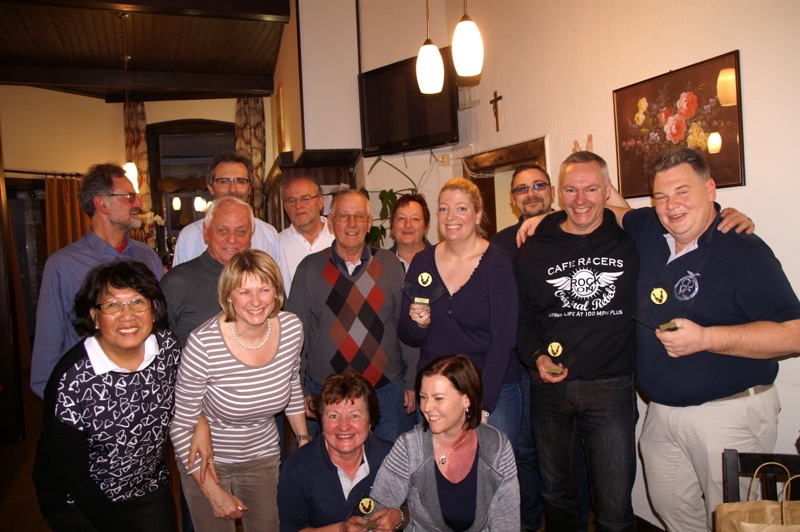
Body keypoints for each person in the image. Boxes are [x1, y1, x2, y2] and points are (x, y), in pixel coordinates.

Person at [617, 148, 800, 532]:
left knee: (737, 523)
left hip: (729, 416)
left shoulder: (743, 249)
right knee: (674, 513)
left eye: (683, 192)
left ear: (711, 189)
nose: (671, 205)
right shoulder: (651, 230)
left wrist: (706, 338)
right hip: (662, 414)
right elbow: (612, 208)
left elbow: (794, 333)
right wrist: (541, 218)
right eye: (661, 196)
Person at [516, 151, 638, 531]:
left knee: (614, 505)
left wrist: (726, 215)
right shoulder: (535, 246)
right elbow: (523, 318)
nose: (580, 200)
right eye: (571, 189)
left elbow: (680, 218)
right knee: (556, 497)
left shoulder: (629, 239)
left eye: (591, 189)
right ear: (558, 193)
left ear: (607, 191)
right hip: (550, 391)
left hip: (611, 388)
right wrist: (536, 357)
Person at [33, 261, 179, 531]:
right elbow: (72, 475)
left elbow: (185, 397)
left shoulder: (167, 347)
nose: (128, 316)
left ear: (154, 308)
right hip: (77, 498)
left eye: (138, 302)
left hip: (145, 483)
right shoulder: (72, 380)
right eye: (112, 305)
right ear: (94, 316)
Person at [170, 249, 309, 530]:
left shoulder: (292, 329)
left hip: (262, 456)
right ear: (228, 296)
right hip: (207, 461)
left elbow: (292, 383)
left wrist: (303, 439)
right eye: (244, 292)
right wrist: (212, 491)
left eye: (264, 289)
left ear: (276, 292)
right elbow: (180, 424)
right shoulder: (204, 343)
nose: (256, 301)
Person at [490, 163, 590, 532]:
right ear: (512, 199)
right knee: (525, 453)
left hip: (574, 366)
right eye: (521, 189)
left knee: (573, 455)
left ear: (552, 190)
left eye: (538, 185)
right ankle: (529, 524)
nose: (531, 193)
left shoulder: (578, 228)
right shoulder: (500, 245)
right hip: (521, 370)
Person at [398, 178, 521, 450]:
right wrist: (419, 325)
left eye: (461, 209)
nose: (450, 217)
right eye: (444, 209)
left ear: (477, 215)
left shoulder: (497, 263)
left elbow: (504, 341)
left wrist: (482, 405)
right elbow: (406, 333)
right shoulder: (423, 261)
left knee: (491, 472)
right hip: (436, 392)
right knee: (436, 471)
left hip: (491, 389)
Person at [287, 189, 417, 442]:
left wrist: (411, 379)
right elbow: (294, 338)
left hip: (385, 392)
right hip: (326, 394)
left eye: (359, 216)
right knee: (329, 465)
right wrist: (298, 389)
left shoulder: (390, 265)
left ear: (369, 224)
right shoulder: (309, 269)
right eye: (344, 216)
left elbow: (406, 327)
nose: (352, 223)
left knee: (386, 463)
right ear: (331, 222)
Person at [30, 163, 163, 398]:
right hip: (90, 397)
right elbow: (47, 347)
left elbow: (160, 324)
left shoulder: (147, 257)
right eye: (130, 197)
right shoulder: (63, 265)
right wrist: (60, 403)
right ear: (102, 203)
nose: (139, 204)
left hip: (146, 393)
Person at [370, 354, 520, 531]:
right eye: (423, 397)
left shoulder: (496, 447)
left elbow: (506, 523)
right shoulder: (409, 446)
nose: (426, 407)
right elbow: (375, 513)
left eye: (438, 398)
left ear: (466, 399)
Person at [277, 371, 403, 532]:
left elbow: (417, 510)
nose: (344, 426)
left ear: (370, 421)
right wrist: (340, 529)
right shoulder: (297, 467)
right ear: (321, 421)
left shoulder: (393, 457)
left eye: (354, 415)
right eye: (333, 416)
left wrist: (400, 516)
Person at [171, 150, 291, 287]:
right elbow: (178, 287)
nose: (233, 189)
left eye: (241, 181)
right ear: (210, 187)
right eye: (224, 181)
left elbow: (281, 287)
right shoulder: (189, 236)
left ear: (249, 188)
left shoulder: (268, 234)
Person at [160, 195, 254, 347]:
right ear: (206, 233)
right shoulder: (176, 283)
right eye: (222, 230)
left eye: (241, 231)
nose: (232, 239)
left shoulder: (263, 280)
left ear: (251, 236)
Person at [278, 176, 335, 282]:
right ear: (285, 208)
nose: (298, 205)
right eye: (291, 201)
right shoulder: (277, 245)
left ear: (320, 202)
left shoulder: (340, 238)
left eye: (305, 198)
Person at [388, 193, 433, 271]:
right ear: (392, 225)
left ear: (426, 227)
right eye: (401, 218)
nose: (408, 225)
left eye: (415, 219)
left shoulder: (440, 261)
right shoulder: (379, 263)